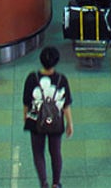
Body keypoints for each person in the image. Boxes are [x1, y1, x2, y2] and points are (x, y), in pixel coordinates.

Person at [23, 46, 73, 188]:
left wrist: (26, 118)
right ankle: (56, 184)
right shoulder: (61, 79)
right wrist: (70, 124)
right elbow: (66, 105)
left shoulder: (32, 78)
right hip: (56, 123)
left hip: (35, 121)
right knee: (55, 153)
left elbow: (26, 102)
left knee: (38, 153)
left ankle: (43, 183)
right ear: (56, 62)